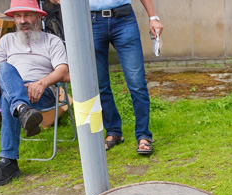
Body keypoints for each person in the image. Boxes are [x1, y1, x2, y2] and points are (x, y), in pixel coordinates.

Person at [53, 0, 161, 156]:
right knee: (100, 84)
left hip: (124, 19)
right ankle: (114, 131)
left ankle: (143, 136)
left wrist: (153, 17)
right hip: (91, 21)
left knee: (136, 82)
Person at [0, 0, 69, 186]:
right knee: (5, 68)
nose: (23, 20)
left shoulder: (52, 41)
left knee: (9, 96)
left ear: (39, 16)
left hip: (42, 94)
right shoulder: (6, 41)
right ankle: (23, 109)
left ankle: (8, 162)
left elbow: (62, 70)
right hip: (16, 91)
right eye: (18, 16)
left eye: (27, 15)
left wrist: (41, 83)